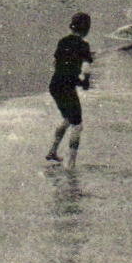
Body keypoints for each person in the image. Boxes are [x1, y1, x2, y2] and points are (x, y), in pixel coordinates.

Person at [45, 12, 94, 167]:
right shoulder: (84, 45)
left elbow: (54, 64)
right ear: (86, 29)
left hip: (55, 85)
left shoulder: (62, 41)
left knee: (68, 118)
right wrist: (84, 81)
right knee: (77, 125)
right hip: (67, 87)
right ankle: (71, 164)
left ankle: (52, 151)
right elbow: (86, 70)